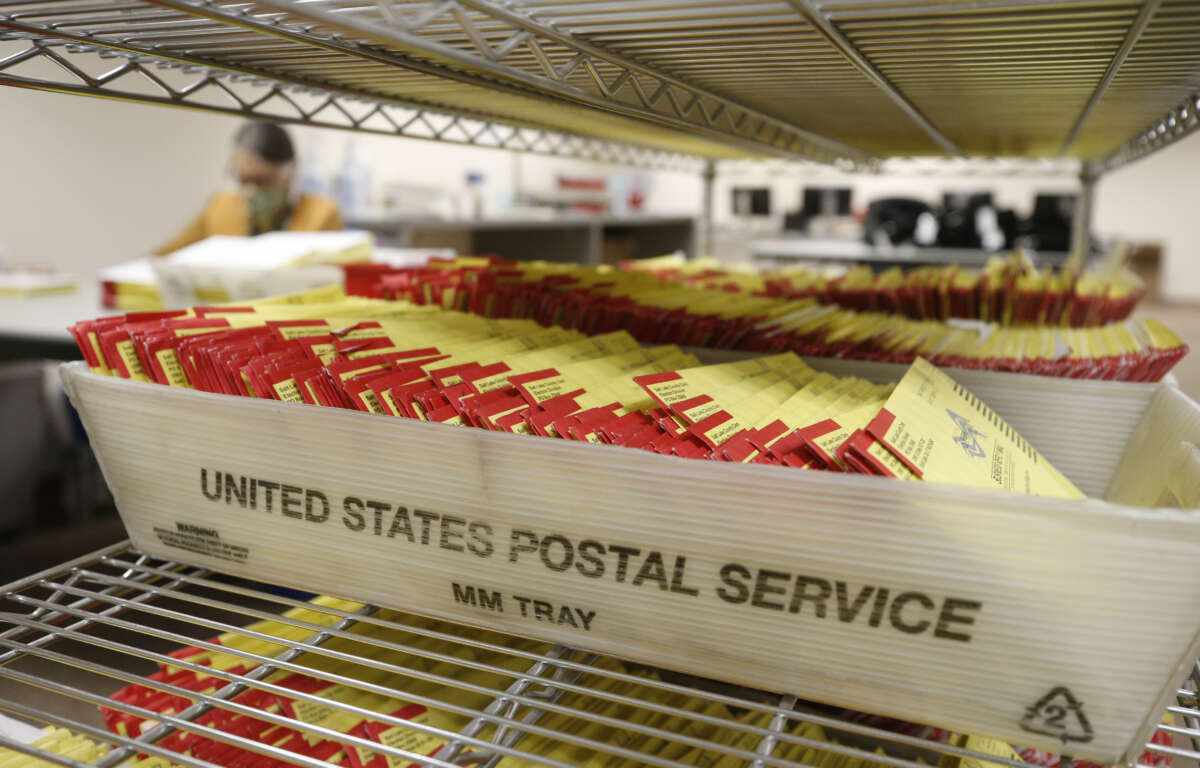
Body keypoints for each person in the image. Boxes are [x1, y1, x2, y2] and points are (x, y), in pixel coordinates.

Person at [154, 121, 342, 255]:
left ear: (291, 170)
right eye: (242, 180)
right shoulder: (221, 206)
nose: (250, 191)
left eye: (261, 180)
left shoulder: (322, 214)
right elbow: (168, 254)